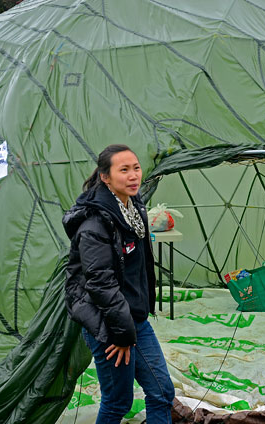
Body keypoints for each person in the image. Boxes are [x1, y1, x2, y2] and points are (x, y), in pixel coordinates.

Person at [62, 144, 175, 423]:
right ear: (105, 177)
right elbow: (100, 285)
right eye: (123, 170)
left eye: (135, 168)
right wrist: (121, 335)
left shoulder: (134, 209)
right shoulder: (94, 223)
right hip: (108, 323)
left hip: (134, 318)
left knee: (162, 392)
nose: (133, 175)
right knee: (118, 401)